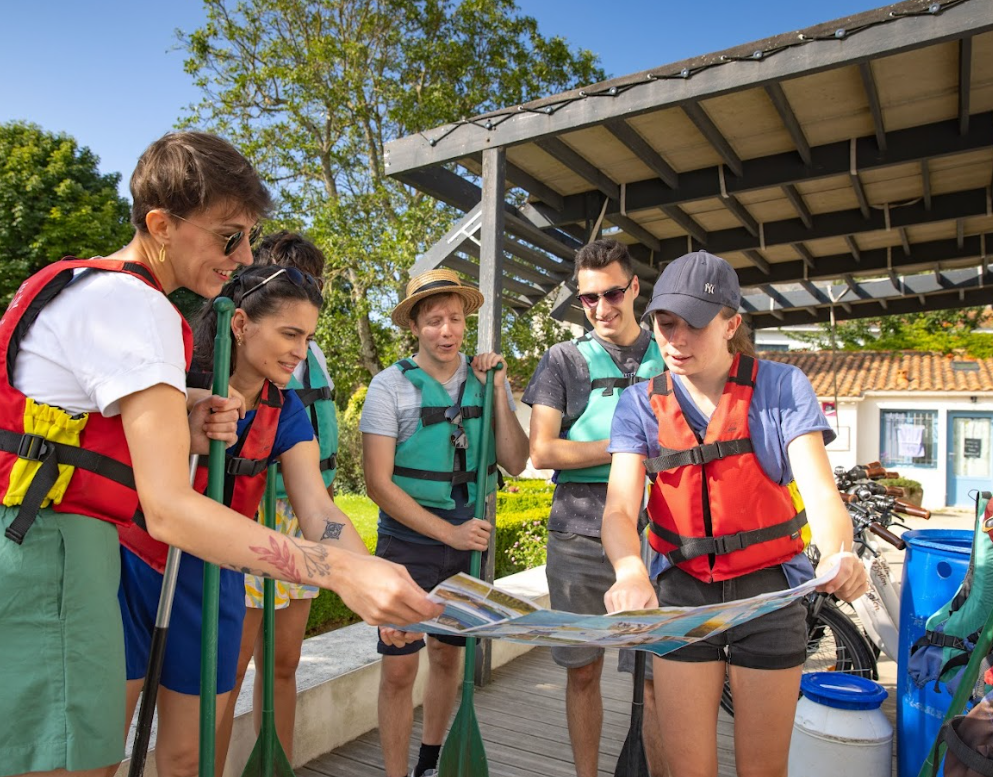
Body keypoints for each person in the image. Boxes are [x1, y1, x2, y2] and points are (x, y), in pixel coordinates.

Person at [0, 131, 439, 777]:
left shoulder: (87, 286)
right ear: (161, 224)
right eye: (229, 236)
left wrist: (181, 413)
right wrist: (340, 570)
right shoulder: (136, 305)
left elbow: (73, 429)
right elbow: (167, 509)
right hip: (42, 566)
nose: (242, 256)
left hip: (15, 554)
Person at [601, 250, 868, 777]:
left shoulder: (783, 387)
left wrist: (840, 555)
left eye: (694, 325)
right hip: (682, 597)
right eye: (666, 323)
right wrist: (630, 569)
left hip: (771, 597)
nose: (676, 340)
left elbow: (821, 495)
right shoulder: (637, 404)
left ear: (731, 324)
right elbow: (619, 508)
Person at [118, 257, 373, 777]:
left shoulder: (286, 409)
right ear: (241, 324)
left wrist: (368, 573)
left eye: (307, 338)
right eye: (289, 334)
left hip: (214, 581)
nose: (301, 352)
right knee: (96, 755)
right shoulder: (174, 377)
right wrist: (188, 405)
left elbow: (318, 509)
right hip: (136, 568)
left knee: (188, 757)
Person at [361, 269, 530, 777]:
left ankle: (429, 764)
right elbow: (377, 484)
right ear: (415, 325)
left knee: (448, 660)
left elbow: (516, 462)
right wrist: (448, 534)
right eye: (434, 320)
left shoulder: (484, 381)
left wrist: (498, 389)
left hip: (467, 542)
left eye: (455, 318)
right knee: (398, 667)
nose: (446, 330)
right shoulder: (389, 386)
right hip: (407, 543)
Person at [521, 238, 666, 777]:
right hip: (578, 535)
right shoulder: (563, 359)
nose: (601, 308)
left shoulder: (669, 351)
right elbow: (543, 450)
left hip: (660, 537)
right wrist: (631, 446)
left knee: (654, 677)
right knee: (582, 671)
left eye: (611, 294)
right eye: (587, 299)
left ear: (634, 289)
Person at [215, 232, 340, 771]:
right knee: (228, 670)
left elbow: (320, 504)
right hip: (240, 523)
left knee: (283, 663)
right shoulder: (211, 367)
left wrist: (350, 564)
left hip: (297, 522)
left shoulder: (299, 375)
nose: (300, 345)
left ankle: (276, 766)